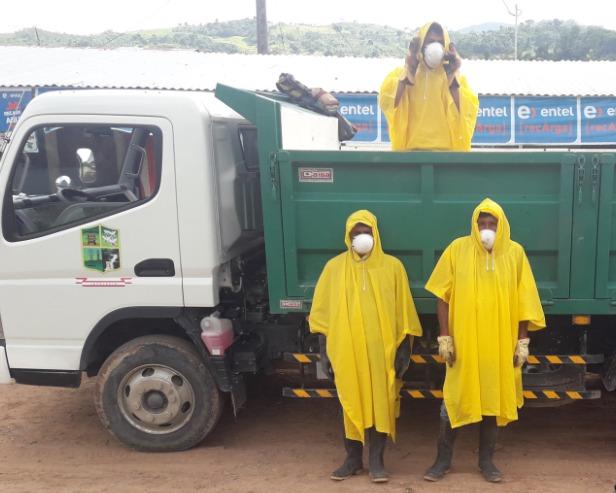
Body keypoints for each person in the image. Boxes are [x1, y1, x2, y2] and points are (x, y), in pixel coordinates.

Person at [423, 198, 546, 483]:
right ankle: (442, 461)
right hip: (464, 345)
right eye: (482, 223)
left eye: (492, 223)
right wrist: (445, 338)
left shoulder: (515, 253)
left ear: (501, 226)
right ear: (474, 225)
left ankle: (487, 462)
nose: (486, 229)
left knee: (492, 400)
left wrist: (522, 341)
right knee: (453, 401)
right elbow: (442, 296)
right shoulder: (457, 249)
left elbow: (524, 301)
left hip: (499, 344)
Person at [309, 210, 422, 483]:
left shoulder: (393, 267)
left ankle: (377, 461)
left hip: (381, 353)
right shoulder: (333, 269)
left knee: (380, 403)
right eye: (356, 232)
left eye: (366, 231)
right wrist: (325, 353)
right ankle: (352, 459)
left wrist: (403, 351)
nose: (362, 237)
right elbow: (322, 316)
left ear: (376, 234)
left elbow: (404, 314)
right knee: (350, 402)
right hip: (346, 352)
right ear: (348, 237)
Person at [379, 21, 479, 151]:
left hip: (446, 155)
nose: (435, 46)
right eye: (431, 41)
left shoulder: (457, 79)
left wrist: (452, 77)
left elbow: (469, 112)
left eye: (440, 43)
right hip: (411, 154)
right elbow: (386, 102)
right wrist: (409, 69)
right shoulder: (403, 74)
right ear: (421, 44)